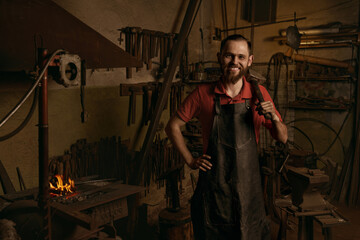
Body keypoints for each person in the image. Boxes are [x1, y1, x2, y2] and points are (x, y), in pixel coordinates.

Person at [165, 34, 288, 239]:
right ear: (219, 57)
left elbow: (282, 137)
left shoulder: (259, 94)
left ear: (249, 60)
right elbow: (172, 127)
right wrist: (190, 160)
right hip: (214, 192)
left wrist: (274, 116)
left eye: (241, 57)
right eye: (229, 56)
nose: (235, 62)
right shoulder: (202, 94)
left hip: (249, 192)